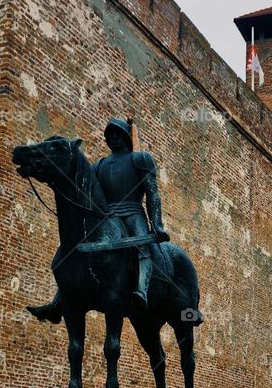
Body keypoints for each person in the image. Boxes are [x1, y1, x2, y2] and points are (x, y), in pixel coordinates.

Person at [28, 117, 168, 322]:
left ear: (126, 137)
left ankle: (141, 290)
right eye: (110, 134)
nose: (114, 137)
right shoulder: (98, 166)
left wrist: (156, 223)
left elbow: (152, 193)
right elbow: (85, 193)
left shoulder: (141, 159)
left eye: (118, 134)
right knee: (71, 252)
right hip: (106, 216)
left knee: (142, 246)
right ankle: (58, 302)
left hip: (132, 212)